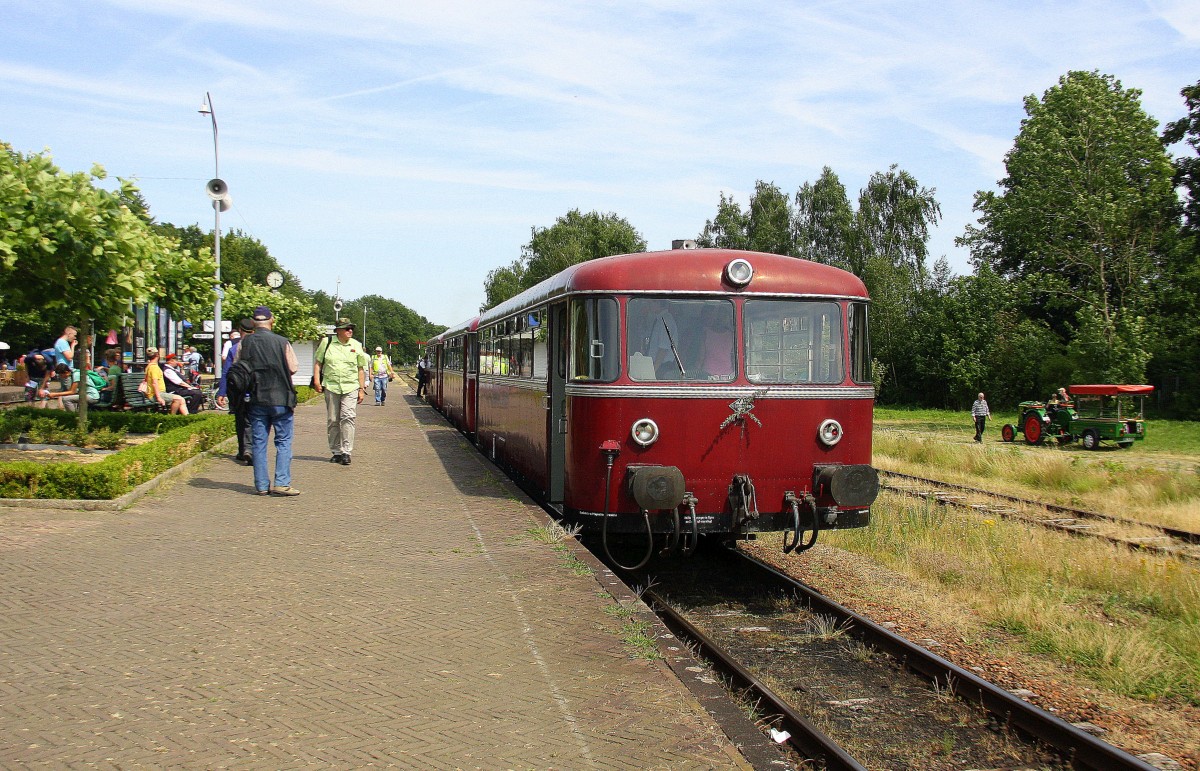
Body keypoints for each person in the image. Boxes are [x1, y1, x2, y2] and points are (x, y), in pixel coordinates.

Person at [237, 305, 300, 495]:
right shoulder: (282, 342)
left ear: (253, 322)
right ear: (272, 320)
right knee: (283, 441)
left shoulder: (244, 343)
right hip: (281, 398)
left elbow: (238, 369)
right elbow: (293, 367)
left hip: (256, 399)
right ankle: (281, 482)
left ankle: (262, 485)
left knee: (259, 442)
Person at [312, 318, 367, 465]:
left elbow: (360, 369)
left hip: (351, 387)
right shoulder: (327, 343)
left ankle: (346, 451)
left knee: (348, 417)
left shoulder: (357, 345)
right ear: (338, 331)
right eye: (347, 328)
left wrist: (361, 389)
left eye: (351, 328)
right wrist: (317, 381)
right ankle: (336, 451)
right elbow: (318, 363)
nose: (350, 330)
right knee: (333, 419)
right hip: (331, 386)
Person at [216, 319, 256, 464]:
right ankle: (252, 449)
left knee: (241, 419)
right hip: (256, 390)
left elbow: (227, 372)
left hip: (239, 390)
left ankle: (243, 449)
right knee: (255, 420)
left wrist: (222, 392)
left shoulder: (234, 348)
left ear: (240, 330)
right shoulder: (259, 347)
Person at [144, 350, 188, 414]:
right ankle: (171, 418)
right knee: (178, 399)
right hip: (156, 394)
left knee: (181, 400)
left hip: (159, 393)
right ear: (157, 355)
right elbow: (154, 383)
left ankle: (187, 417)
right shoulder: (154, 367)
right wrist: (159, 397)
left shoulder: (150, 366)